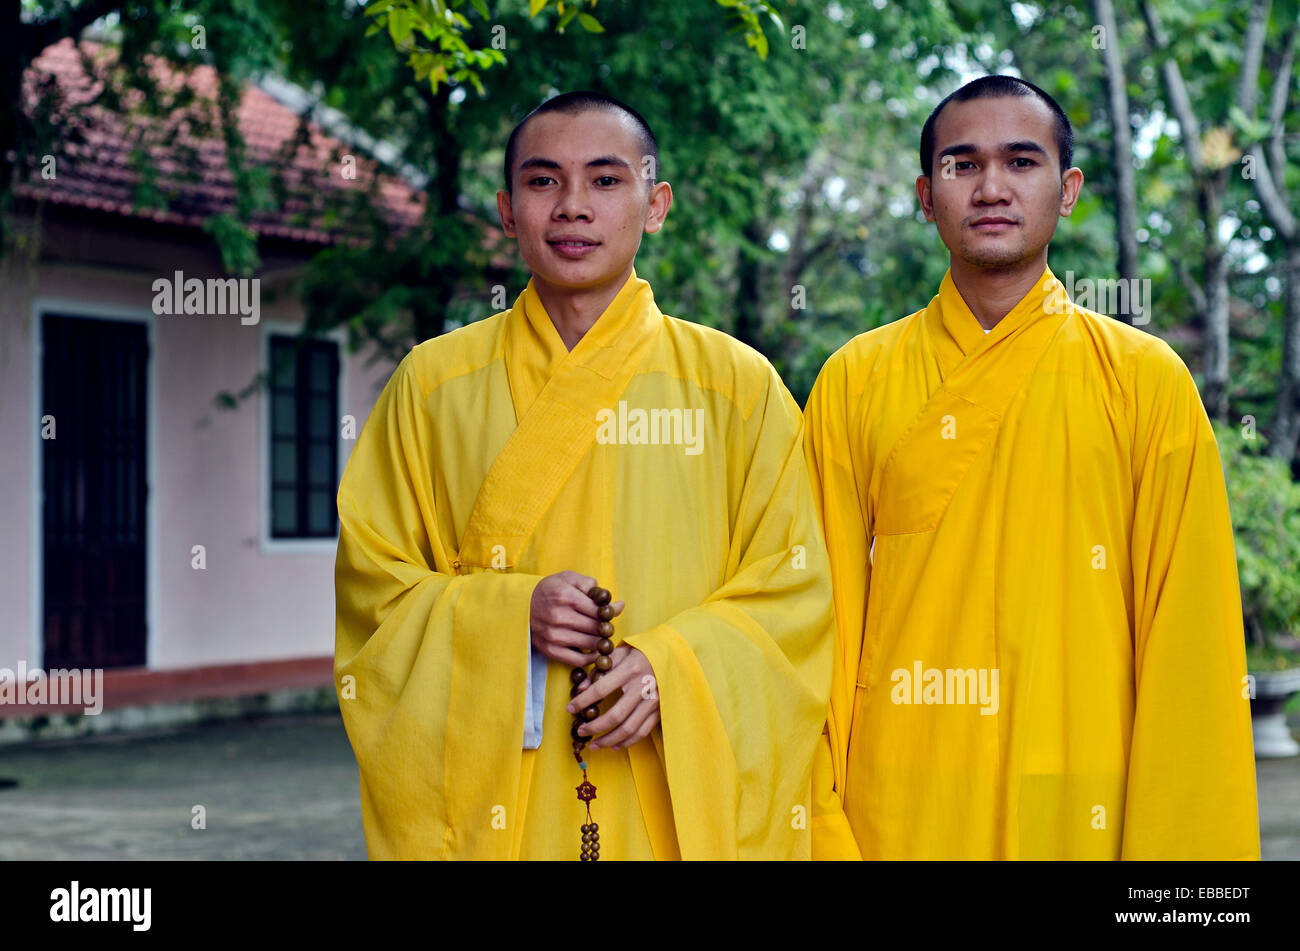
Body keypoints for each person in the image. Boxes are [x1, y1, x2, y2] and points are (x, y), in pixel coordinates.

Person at [334, 91, 835, 859]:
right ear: (507, 210)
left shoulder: (737, 387)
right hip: (500, 804)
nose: (572, 207)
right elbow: (376, 596)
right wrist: (511, 618)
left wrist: (672, 670)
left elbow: (795, 595)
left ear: (655, 204)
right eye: (543, 182)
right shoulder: (432, 387)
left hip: (667, 797)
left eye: (606, 181)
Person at [804, 75, 1259, 860]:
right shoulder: (854, 379)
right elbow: (812, 628)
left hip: (1085, 796)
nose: (990, 188)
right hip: (901, 799)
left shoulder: (1146, 381)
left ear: (1068, 188)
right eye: (961, 165)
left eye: (1021, 162)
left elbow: (1192, 650)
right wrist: (822, 822)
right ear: (925, 192)